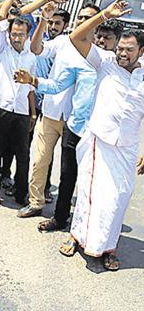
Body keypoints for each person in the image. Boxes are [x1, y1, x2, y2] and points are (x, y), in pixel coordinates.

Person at [55, 0, 143, 271]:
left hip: (126, 147)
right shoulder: (104, 62)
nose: (122, 54)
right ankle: (76, 237)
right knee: (89, 193)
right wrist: (105, 15)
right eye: (120, 49)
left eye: (129, 50)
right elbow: (75, 37)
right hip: (98, 141)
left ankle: (108, 246)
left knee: (118, 198)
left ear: (141, 51)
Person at [14, 19, 123, 233]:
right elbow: (56, 85)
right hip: (76, 128)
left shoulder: (120, 66)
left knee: (93, 181)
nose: (101, 41)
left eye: (107, 38)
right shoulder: (84, 62)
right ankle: (60, 218)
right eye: (99, 36)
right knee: (67, 174)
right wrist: (33, 80)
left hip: (103, 133)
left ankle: (91, 229)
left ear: (117, 42)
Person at [18, 2, 98, 218]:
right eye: (81, 17)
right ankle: (36, 203)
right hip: (51, 113)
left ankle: (67, 213)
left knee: (69, 171)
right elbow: (36, 49)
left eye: (89, 18)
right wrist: (43, 19)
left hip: (77, 123)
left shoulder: (100, 54)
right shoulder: (62, 42)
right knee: (40, 161)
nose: (83, 21)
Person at [0, 0, 37, 208]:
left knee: (23, 156)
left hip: (22, 111)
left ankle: (20, 194)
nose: (16, 37)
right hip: (1, 108)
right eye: (14, 33)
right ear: (9, 34)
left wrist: (33, 113)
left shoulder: (31, 57)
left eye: (21, 34)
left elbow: (30, 89)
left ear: (27, 35)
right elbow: (2, 15)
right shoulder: (1, 49)